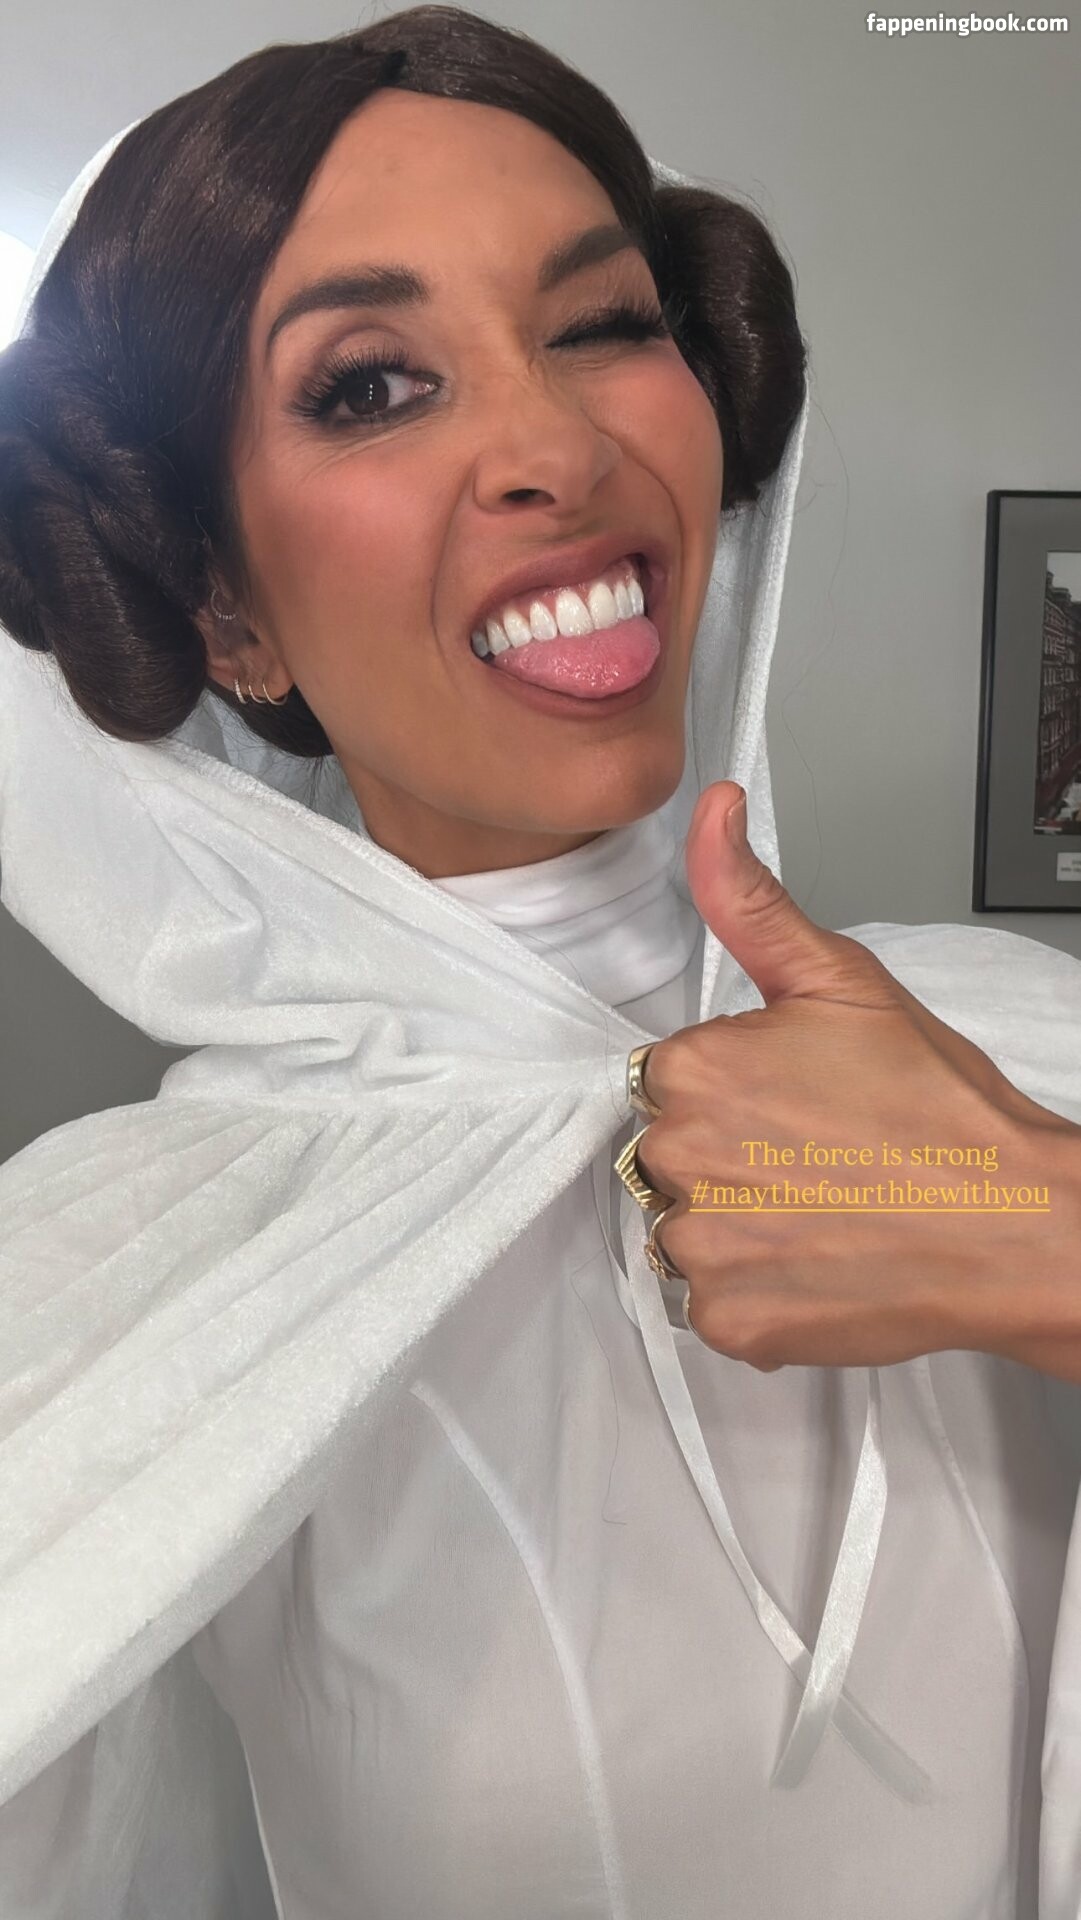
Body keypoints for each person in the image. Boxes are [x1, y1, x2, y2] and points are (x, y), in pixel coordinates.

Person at [1, 10, 1080, 1917]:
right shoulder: (116, 1281)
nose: (559, 447)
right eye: (368, 384)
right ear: (225, 613)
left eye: (599, 324)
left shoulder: (1022, 1044)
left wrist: (1040, 1235)